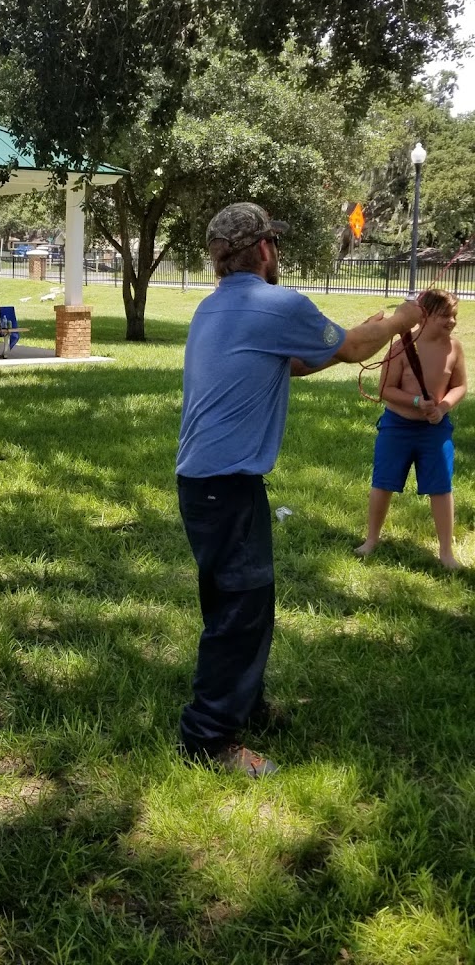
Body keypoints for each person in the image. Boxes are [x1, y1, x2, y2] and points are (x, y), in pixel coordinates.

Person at [176, 202, 424, 777]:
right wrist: (401, 318)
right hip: (227, 484)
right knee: (239, 610)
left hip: (205, 484)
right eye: (276, 244)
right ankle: (208, 740)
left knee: (240, 603)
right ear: (264, 249)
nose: (278, 253)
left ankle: (247, 705)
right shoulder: (274, 303)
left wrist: (355, 337)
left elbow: (285, 364)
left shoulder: (215, 309)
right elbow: (356, 348)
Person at [356, 288, 467, 567]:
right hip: (397, 427)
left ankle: (446, 552)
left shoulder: (454, 348)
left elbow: (460, 386)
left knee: (441, 486)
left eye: (454, 315)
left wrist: (442, 407)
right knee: (384, 482)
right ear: (424, 315)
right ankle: (371, 538)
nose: (452, 321)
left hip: (435, 430)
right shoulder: (403, 347)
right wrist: (416, 400)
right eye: (445, 316)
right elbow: (385, 389)